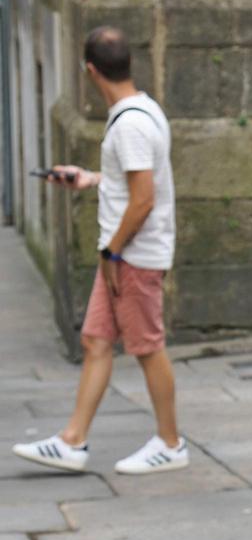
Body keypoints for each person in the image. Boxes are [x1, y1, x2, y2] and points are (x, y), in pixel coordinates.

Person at [12, 26, 185, 475]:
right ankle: (73, 440)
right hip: (124, 255)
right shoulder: (145, 110)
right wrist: (89, 178)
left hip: (132, 257)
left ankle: (170, 443)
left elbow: (144, 199)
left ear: (91, 71)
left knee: (147, 346)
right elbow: (135, 183)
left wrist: (111, 251)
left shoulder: (128, 124)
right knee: (95, 341)